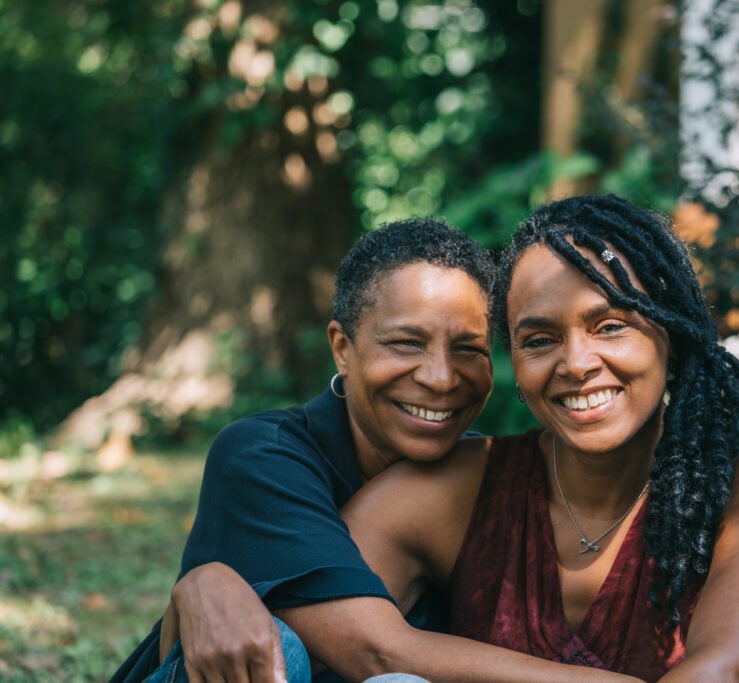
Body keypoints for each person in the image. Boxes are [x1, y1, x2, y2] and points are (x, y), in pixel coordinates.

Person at [112, 218, 639, 683]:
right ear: (343, 348)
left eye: (467, 350)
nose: (440, 378)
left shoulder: (488, 481)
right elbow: (376, 652)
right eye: (406, 343)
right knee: (285, 651)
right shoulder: (263, 457)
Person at [340, 194, 739, 681]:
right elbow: (318, 626)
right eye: (540, 340)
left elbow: (728, 672)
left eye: (610, 326)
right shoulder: (460, 490)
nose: (577, 364)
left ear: (670, 333)